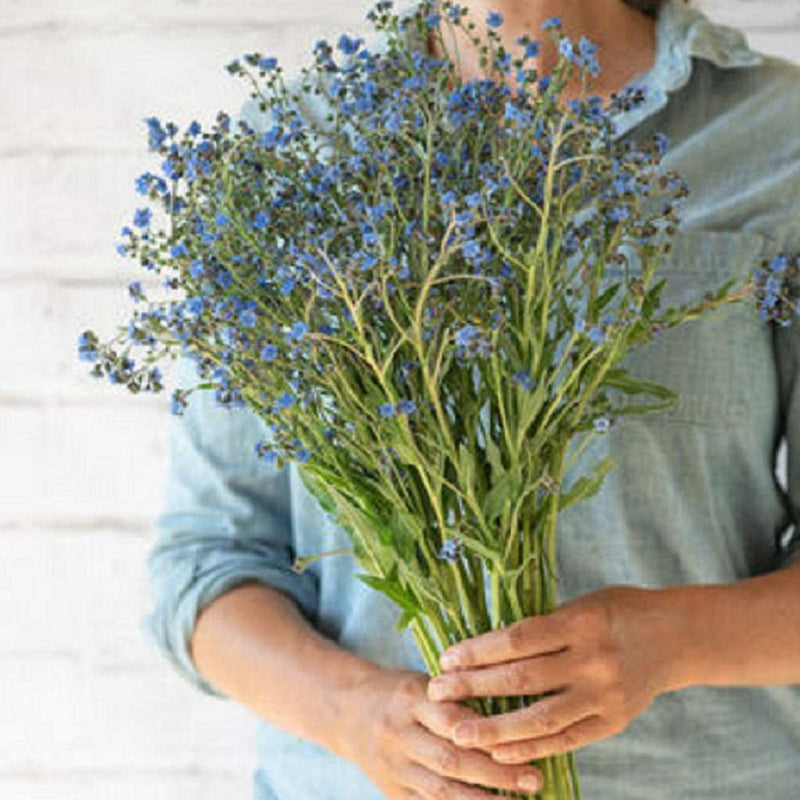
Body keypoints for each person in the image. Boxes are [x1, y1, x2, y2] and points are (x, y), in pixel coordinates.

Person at [141, 1, 800, 798]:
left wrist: (672, 640)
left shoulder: (778, 136)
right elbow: (207, 563)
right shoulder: (291, 152)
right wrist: (357, 716)